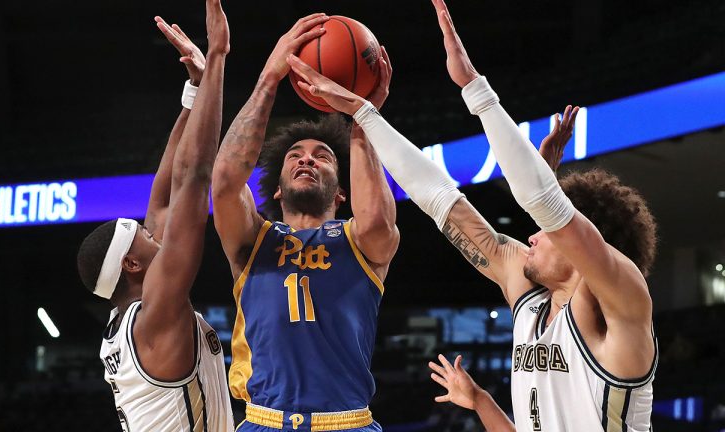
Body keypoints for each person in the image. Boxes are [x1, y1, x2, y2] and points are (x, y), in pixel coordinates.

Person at [286, 0, 659, 429]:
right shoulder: (532, 302)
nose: (531, 238)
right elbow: (440, 199)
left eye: (547, 232)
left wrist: (473, 88)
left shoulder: (621, 303)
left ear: (587, 241)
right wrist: (481, 401)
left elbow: (543, 201)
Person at [211, 13, 399, 431]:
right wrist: (269, 78)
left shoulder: (358, 239)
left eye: (323, 156)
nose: (308, 158)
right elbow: (223, 182)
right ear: (277, 189)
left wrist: (363, 116)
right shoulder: (253, 238)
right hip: (265, 420)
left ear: (341, 192)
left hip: (346, 422)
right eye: (295, 156)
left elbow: (378, 221)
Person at [75, 1, 233, 430]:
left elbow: (164, 197)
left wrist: (194, 93)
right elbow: (195, 179)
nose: (151, 226)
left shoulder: (131, 312)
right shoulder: (158, 315)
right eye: (142, 233)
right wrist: (218, 56)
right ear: (132, 263)